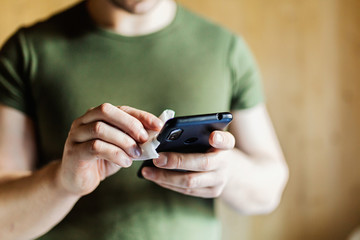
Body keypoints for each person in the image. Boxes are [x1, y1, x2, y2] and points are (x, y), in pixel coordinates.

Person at [0, 0, 289, 239]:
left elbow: (270, 188)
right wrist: (63, 183)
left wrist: (226, 171)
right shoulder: (27, 52)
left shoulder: (226, 49)